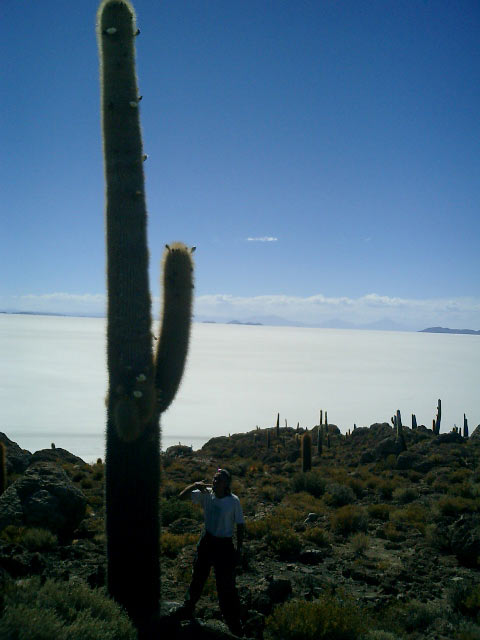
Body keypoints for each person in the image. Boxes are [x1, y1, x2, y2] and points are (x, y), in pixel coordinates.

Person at [177, 468, 245, 636]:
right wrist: (194, 485)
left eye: (218, 480)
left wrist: (239, 548)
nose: (214, 482)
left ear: (226, 484)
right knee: (198, 577)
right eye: (214, 479)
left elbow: (240, 525)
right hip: (207, 541)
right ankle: (188, 607)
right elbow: (181, 497)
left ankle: (233, 622)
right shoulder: (206, 494)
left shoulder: (233, 501)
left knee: (225, 584)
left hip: (224, 546)